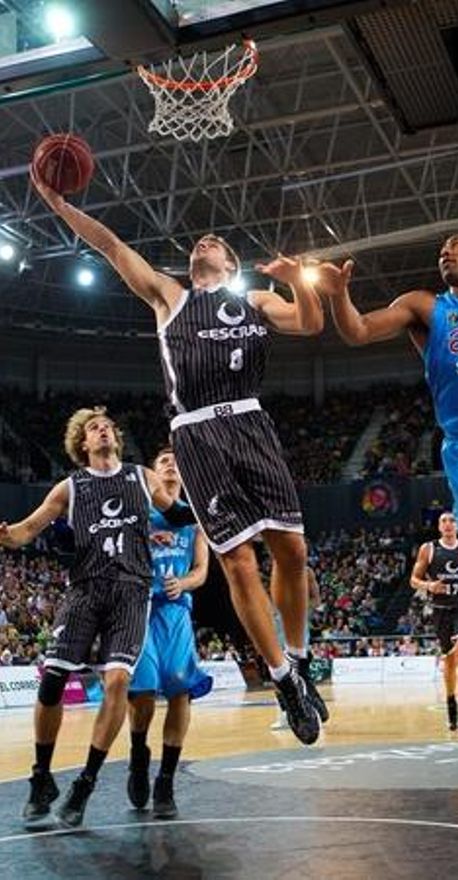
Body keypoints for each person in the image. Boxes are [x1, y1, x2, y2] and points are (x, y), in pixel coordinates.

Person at [31, 169, 327, 746]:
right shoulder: (171, 297)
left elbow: (311, 322)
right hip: (197, 433)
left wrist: (300, 283)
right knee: (238, 562)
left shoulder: (254, 300)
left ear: (231, 265)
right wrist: (58, 204)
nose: (203, 242)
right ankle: (281, 679)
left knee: (293, 551)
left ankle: (298, 660)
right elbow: (112, 246)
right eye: (198, 242)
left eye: (215, 242)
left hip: (250, 423)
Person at [0, 407, 193, 828]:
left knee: (119, 682)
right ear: (82, 444)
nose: (103, 430)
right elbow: (26, 530)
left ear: (115, 439)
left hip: (131, 593)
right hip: (85, 591)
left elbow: (178, 514)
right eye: (93, 428)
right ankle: (41, 777)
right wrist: (6, 535)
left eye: (107, 426)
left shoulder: (141, 477)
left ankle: (85, 782)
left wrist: (212, 499)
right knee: (52, 681)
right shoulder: (69, 487)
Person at [318, 233, 458, 655]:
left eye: (456, 245)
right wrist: (339, 294)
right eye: (441, 250)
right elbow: (358, 331)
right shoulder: (427, 307)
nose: (445, 252)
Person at [127, 447, 212, 819]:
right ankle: (138, 752)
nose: (171, 464)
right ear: (152, 474)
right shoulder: (138, 514)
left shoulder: (193, 519)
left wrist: (185, 583)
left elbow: (201, 571)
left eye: (177, 460)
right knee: (142, 691)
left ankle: (165, 780)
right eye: (163, 461)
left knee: (180, 690)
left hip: (176, 611)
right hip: (139, 608)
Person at [410, 511, 458, 733]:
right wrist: (429, 586)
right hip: (440, 612)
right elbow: (413, 580)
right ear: (439, 527)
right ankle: (451, 708)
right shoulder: (429, 549)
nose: (448, 524)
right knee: (449, 661)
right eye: (443, 521)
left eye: (452, 520)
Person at [271, 566, 329, 730]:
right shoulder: (274, 572)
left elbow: (316, 601)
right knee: (280, 676)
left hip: (297, 633)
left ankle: (314, 712)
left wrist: (299, 606)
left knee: (298, 675)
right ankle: (287, 714)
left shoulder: (306, 572)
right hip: (278, 630)